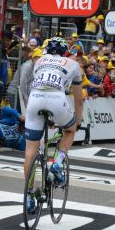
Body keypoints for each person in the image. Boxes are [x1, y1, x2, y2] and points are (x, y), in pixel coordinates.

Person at [23, 37, 84, 213]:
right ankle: (57, 163)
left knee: (30, 150)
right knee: (69, 131)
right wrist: (77, 123)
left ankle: (28, 195)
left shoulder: (39, 61)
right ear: (65, 52)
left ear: (47, 50)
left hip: (35, 101)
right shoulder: (73, 64)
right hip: (57, 100)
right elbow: (79, 101)